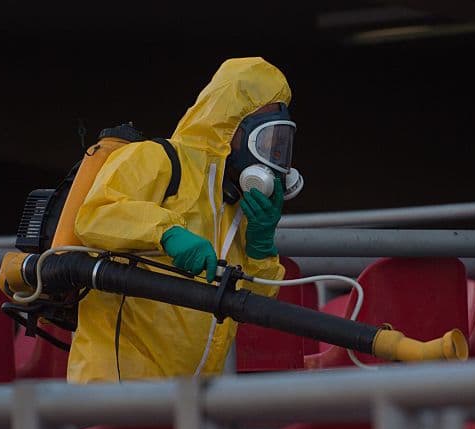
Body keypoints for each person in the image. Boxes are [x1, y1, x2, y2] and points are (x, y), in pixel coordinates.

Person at [67, 57, 301, 383]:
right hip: (114, 389)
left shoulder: (233, 206)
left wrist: (260, 248)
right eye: (264, 139)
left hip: (188, 398)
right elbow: (96, 215)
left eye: (279, 144)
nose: (271, 155)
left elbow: (255, 304)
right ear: (230, 125)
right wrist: (168, 233)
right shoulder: (156, 159)